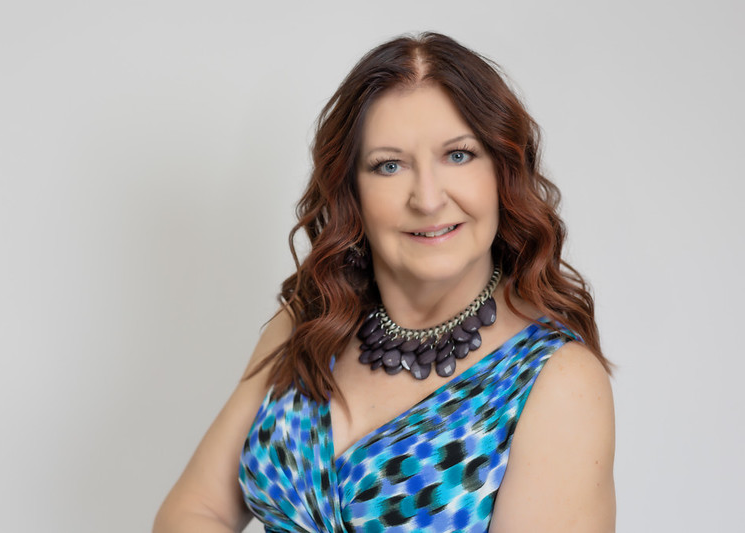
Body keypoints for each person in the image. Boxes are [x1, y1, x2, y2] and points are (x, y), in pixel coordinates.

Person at [154, 32, 616, 532]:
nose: (428, 198)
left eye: (458, 155)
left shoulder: (559, 382)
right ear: (351, 191)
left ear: (503, 172)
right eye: (389, 165)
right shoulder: (309, 322)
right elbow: (192, 511)